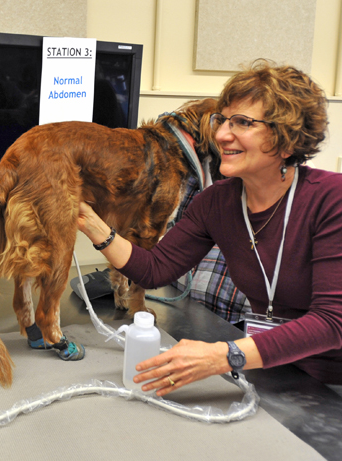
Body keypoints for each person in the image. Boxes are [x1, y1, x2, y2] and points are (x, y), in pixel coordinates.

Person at [77, 59, 340, 395]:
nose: (220, 135)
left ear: (287, 140)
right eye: (223, 120)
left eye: (242, 122)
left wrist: (223, 355)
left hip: (332, 386)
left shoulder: (332, 200)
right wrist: (91, 223)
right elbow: (155, 269)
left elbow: (333, 322)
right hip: (272, 371)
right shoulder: (218, 201)